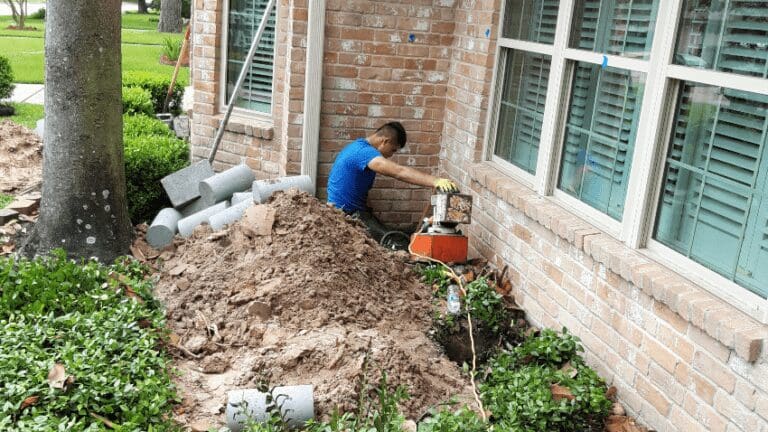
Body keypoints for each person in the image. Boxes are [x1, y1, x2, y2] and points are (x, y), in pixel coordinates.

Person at [327, 121, 458, 240]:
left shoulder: (359, 146)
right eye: (393, 150)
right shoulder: (364, 153)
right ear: (385, 141)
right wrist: (435, 181)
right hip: (346, 215)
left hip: (355, 211)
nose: (391, 155)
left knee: (403, 233)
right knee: (393, 240)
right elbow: (399, 172)